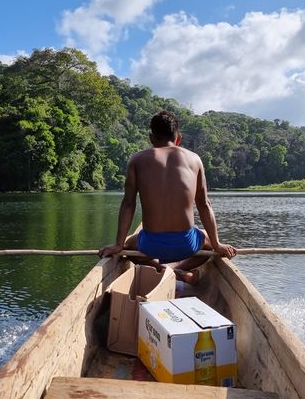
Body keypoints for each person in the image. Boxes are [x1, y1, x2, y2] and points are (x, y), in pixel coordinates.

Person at [99, 110, 237, 283]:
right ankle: (179, 271)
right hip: (187, 244)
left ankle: (161, 269)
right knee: (207, 244)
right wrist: (217, 245)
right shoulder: (194, 159)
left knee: (128, 246)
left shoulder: (137, 160)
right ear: (178, 138)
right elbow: (204, 204)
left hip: (150, 244)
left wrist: (119, 245)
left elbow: (128, 204)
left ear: (151, 137)